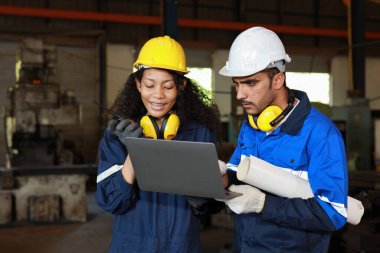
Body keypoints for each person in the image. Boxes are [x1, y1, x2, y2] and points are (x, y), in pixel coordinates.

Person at [218, 26, 348, 253]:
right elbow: (234, 173)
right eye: (237, 84)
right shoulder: (251, 125)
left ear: (277, 80)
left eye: (250, 83)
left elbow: (334, 213)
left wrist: (263, 204)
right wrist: (217, 178)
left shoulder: (320, 133)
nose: (239, 94)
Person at [96, 35, 224, 253]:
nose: (158, 95)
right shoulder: (118, 135)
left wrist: (199, 200)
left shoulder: (199, 134)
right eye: (149, 84)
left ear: (181, 86)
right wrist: (134, 150)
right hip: (132, 247)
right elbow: (110, 202)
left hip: (183, 246)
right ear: (138, 84)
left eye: (168, 86)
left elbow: (214, 205)